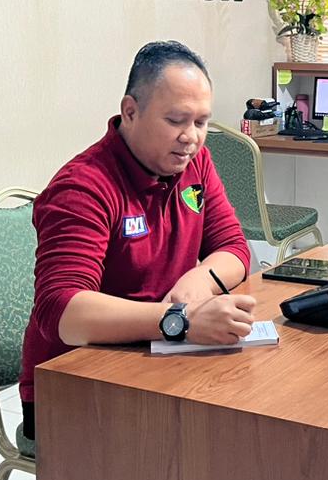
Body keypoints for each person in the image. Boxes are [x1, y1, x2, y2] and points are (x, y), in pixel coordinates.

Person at [18, 41, 256, 441]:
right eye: (176, 120)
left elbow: (233, 247)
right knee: (214, 443)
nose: (191, 138)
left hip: (155, 354)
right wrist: (180, 321)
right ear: (130, 111)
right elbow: (62, 312)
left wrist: (198, 282)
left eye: (201, 122)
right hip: (74, 385)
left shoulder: (194, 163)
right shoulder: (83, 187)